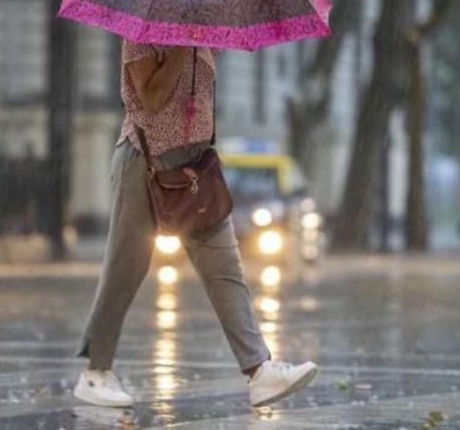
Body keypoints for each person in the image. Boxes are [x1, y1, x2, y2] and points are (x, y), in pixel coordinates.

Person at [73, 40, 318, 408]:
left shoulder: (203, 32)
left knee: (226, 269)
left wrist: (204, 44)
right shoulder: (142, 32)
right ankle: (95, 372)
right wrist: (180, 49)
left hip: (194, 168)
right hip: (144, 164)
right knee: (126, 267)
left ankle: (259, 371)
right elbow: (151, 98)